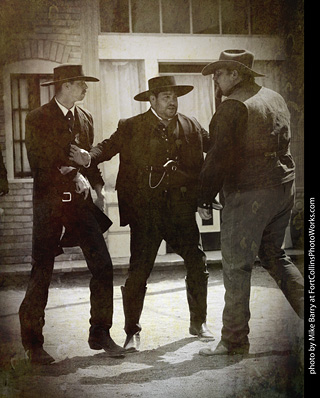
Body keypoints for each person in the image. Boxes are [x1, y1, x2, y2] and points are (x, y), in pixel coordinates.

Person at [70, 76, 215, 352]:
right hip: (146, 213)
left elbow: (216, 149)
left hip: (180, 211)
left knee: (197, 262)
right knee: (138, 272)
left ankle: (199, 323)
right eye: (166, 97)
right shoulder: (132, 126)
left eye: (174, 97)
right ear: (152, 100)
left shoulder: (191, 125)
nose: (172, 102)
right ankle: (132, 332)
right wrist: (88, 157)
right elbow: (107, 147)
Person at [197, 50, 304, 356]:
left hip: (250, 193)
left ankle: (233, 340)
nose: (216, 79)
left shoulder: (232, 107)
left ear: (236, 74)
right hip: (283, 188)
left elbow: (218, 159)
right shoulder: (274, 97)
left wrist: (204, 198)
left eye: (220, 73)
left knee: (235, 265)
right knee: (274, 255)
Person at [19, 64, 126, 365]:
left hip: (80, 204)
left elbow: (89, 158)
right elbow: (38, 161)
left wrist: (99, 187)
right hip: (50, 203)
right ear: (65, 86)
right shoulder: (37, 118)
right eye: (80, 84)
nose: (85, 89)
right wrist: (71, 173)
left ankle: (100, 333)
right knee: (42, 271)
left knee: (103, 265)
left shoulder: (85, 117)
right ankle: (33, 344)